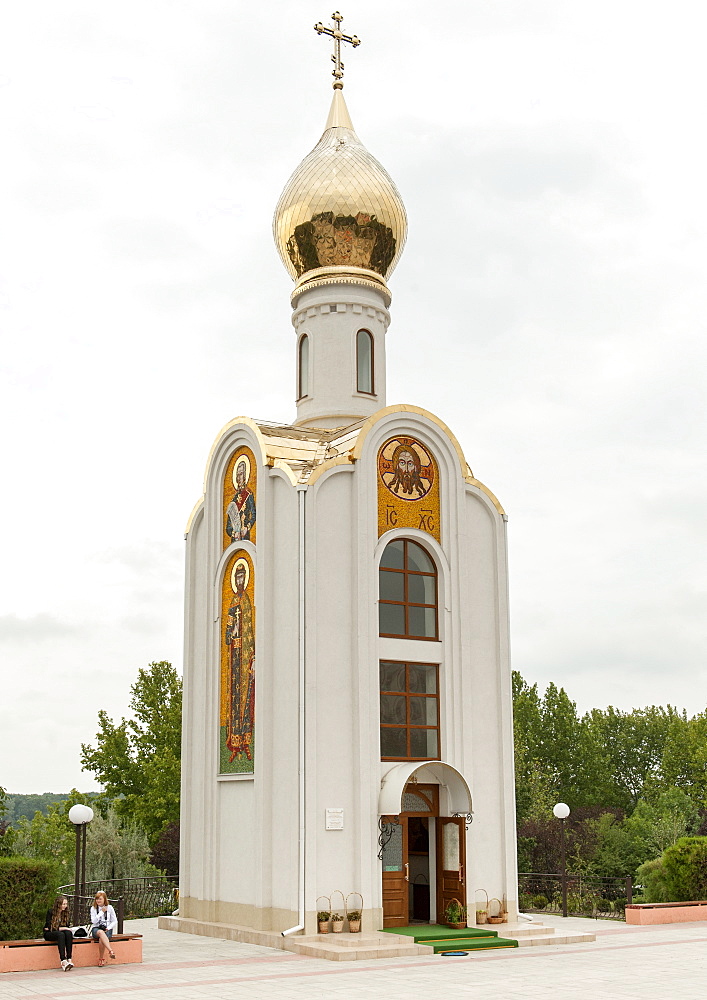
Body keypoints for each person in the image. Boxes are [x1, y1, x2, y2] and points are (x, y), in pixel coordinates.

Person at [43, 895, 74, 971]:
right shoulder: (51, 912)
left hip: (59, 932)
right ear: (58, 904)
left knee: (68, 933)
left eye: (66, 904)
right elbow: (50, 927)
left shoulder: (65, 913)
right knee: (61, 934)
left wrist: (64, 928)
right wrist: (63, 928)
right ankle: (63, 960)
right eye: (63, 904)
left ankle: (69, 959)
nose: (65, 906)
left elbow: (66, 925)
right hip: (49, 933)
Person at [90, 890, 117, 966]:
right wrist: (101, 912)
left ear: (104, 899)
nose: (98, 901)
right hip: (97, 929)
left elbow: (114, 921)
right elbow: (94, 921)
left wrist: (108, 928)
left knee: (102, 938)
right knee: (101, 933)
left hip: (107, 928)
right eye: (97, 899)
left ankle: (101, 959)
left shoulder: (110, 908)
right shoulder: (93, 908)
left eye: (100, 899)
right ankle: (110, 951)